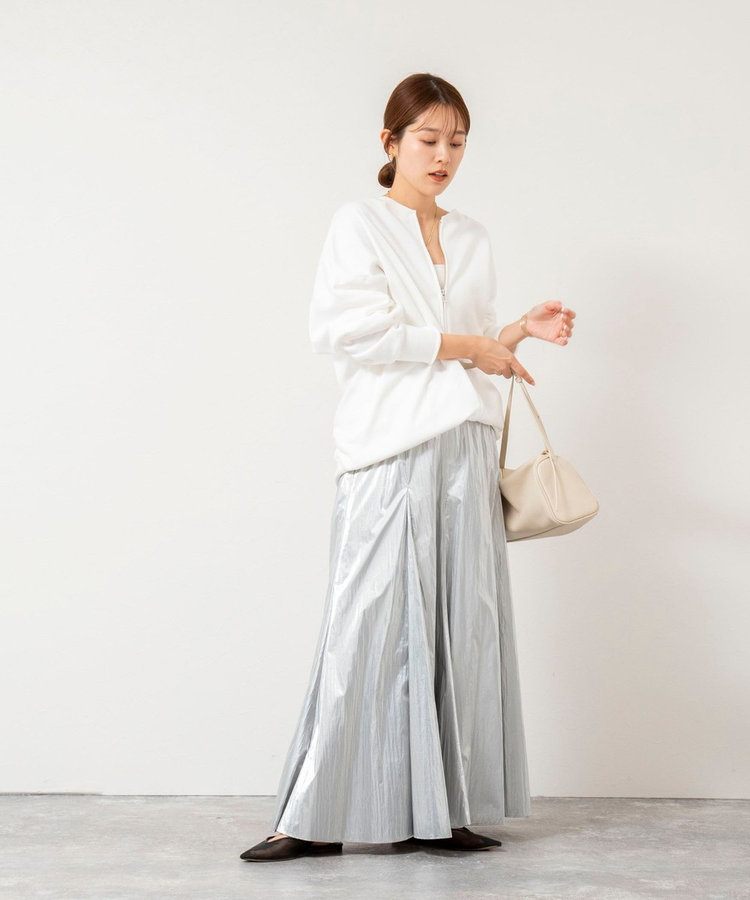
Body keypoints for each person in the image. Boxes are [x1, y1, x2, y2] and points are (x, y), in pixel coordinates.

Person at [240, 72, 576, 863]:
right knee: (364, 622)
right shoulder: (359, 223)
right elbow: (352, 332)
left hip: (464, 445)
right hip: (387, 449)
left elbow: (470, 342)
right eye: (428, 139)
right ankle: (309, 817)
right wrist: (472, 345)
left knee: (461, 629)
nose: (443, 155)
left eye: (457, 142)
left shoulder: (473, 237)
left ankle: (440, 812)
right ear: (390, 142)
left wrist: (514, 332)